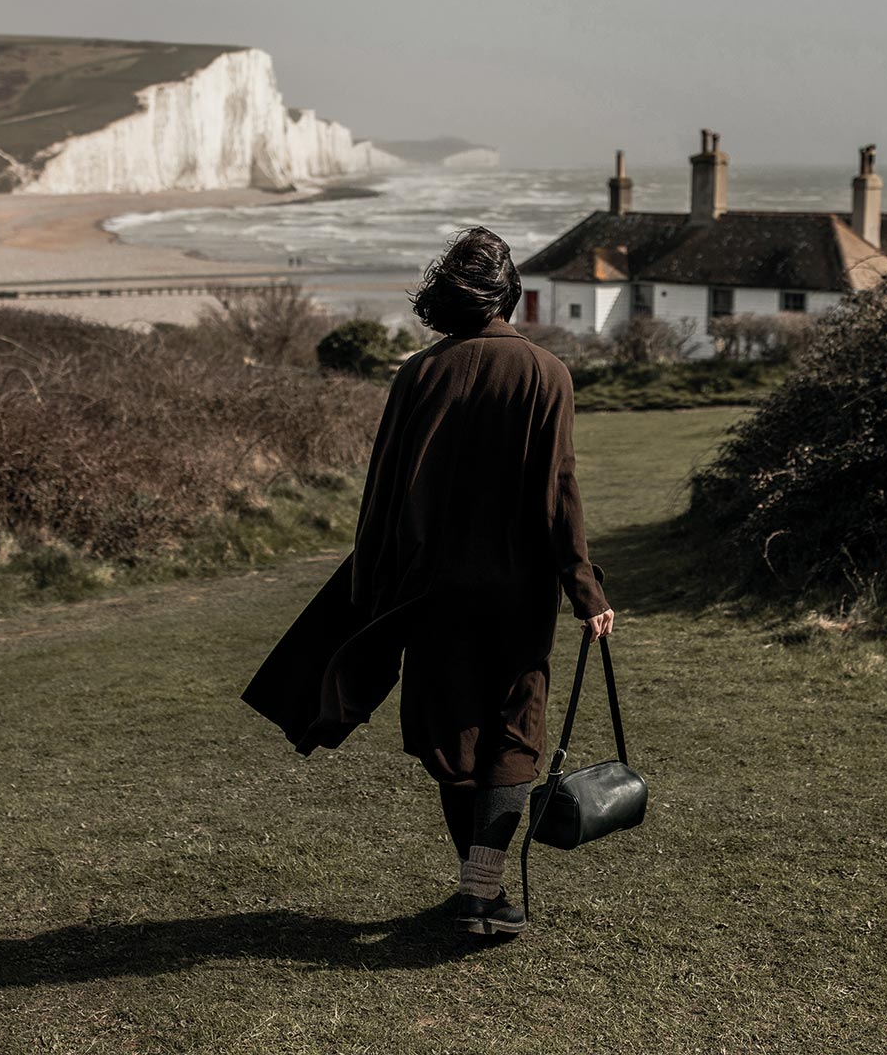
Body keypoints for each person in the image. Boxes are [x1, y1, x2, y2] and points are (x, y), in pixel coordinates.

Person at [242, 226, 615, 939]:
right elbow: (558, 493)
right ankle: (483, 892)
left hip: (429, 588)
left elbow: (382, 495)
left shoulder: (419, 373)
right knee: (514, 729)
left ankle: (476, 893)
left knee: (453, 731)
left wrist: (375, 591)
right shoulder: (547, 374)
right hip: (517, 590)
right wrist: (584, 591)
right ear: (508, 292)